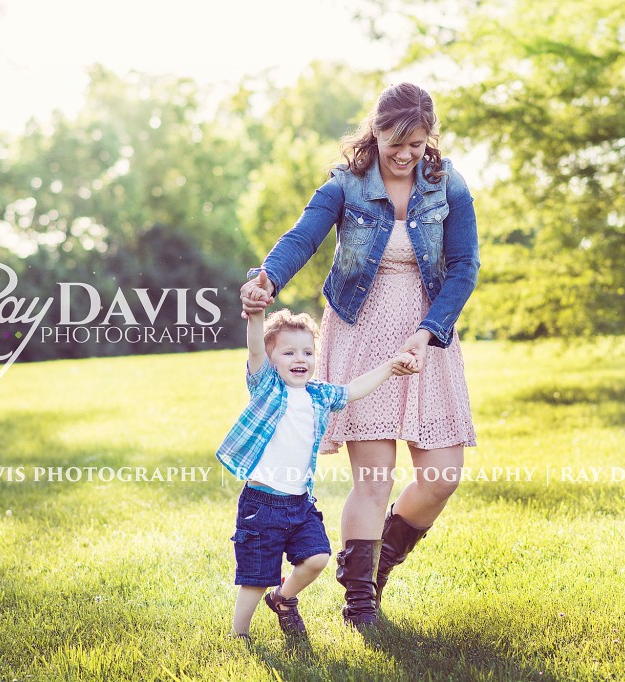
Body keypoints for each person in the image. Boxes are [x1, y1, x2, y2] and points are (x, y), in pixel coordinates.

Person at [239, 82, 480, 629]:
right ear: (375, 131)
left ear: (428, 140)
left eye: (417, 144)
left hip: (427, 338)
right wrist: (266, 280)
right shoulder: (346, 185)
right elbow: (303, 237)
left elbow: (464, 267)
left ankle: (379, 564)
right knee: (373, 478)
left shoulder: (449, 186)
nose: (405, 154)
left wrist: (428, 332)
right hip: (361, 334)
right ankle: (360, 603)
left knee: (442, 476)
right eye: (396, 141)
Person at [218, 282, 416, 638]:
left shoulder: (318, 395)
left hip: (300, 503)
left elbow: (353, 389)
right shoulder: (266, 387)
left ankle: (284, 597)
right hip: (261, 504)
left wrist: (389, 367)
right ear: (272, 359)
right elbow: (254, 351)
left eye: (307, 353)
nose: (300, 360)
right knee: (255, 576)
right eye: (289, 353)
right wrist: (258, 315)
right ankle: (239, 634)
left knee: (318, 558)